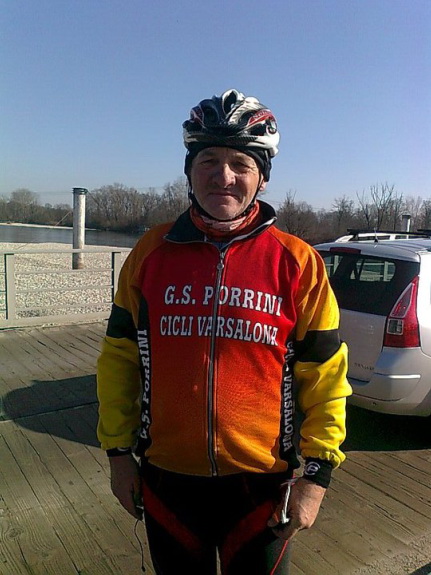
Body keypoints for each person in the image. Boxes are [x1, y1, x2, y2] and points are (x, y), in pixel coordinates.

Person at [97, 88, 352, 574]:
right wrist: (118, 454)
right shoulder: (150, 253)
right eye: (209, 160)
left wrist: (317, 477)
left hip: (261, 488)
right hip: (167, 481)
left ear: (262, 176)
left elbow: (326, 376)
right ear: (189, 171)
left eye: (241, 163)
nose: (224, 176)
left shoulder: (298, 262)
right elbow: (119, 360)